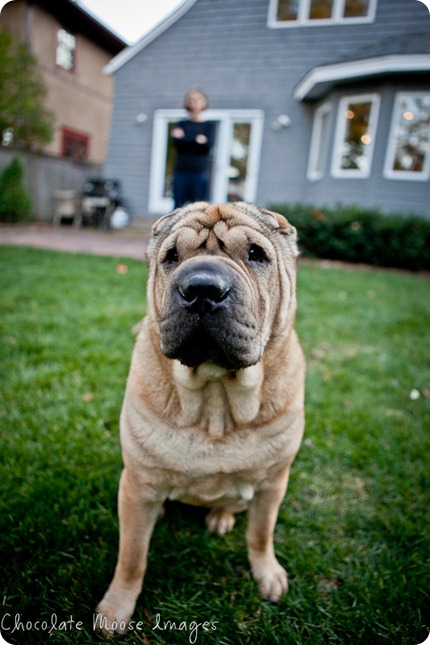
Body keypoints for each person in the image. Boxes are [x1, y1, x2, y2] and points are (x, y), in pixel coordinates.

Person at [171, 88, 215, 209]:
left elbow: (207, 146)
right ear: (187, 103)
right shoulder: (181, 124)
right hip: (181, 172)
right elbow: (177, 142)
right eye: (192, 100)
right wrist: (197, 139)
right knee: (178, 207)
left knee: (199, 208)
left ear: (204, 103)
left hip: (199, 173)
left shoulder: (209, 126)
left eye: (198, 99)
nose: (195, 102)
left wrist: (185, 138)